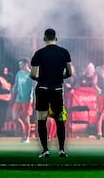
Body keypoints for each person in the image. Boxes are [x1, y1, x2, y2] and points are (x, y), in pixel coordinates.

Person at [30, 28, 74, 158]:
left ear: (44, 38)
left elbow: (32, 74)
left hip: (43, 89)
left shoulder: (39, 53)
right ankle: (61, 150)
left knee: (41, 119)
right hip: (57, 89)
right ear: (56, 38)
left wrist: (41, 79)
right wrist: (59, 78)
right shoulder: (64, 52)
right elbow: (70, 72)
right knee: (59, 118)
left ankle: (45, 150)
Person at [13, 59, 33, 143]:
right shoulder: (19, 74)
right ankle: (23, 131)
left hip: (27, 99)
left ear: (26, 64)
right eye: (19, 65)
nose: (20, 66)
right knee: (14, 117)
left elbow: (33, 87)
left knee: (26, 118)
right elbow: (16, 85)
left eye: (21, 65)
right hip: (19, 99)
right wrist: (13, 93)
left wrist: (31, 97)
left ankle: (27, 137)